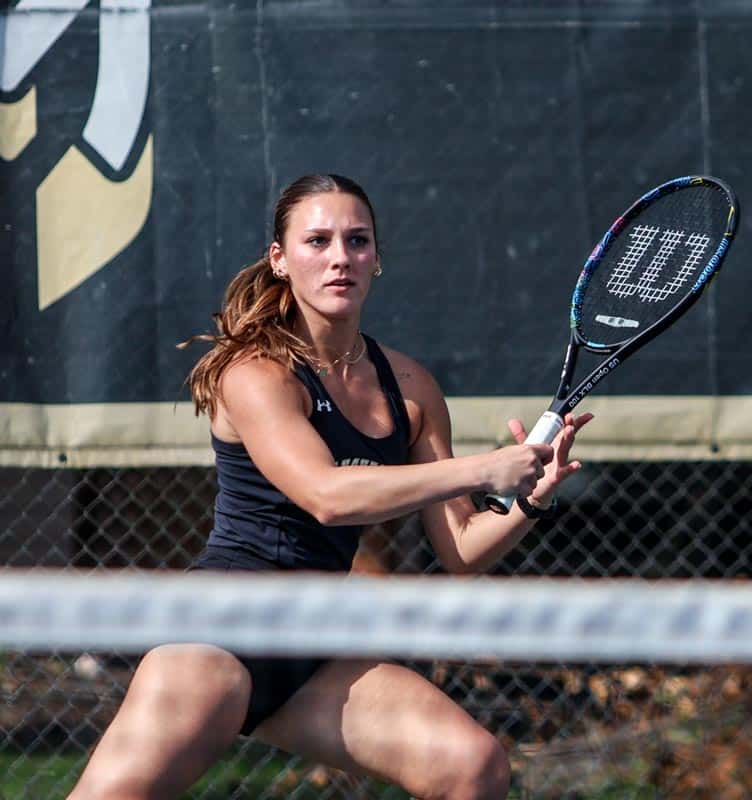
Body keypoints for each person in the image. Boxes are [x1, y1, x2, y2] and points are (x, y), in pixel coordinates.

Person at [67, 173, 592, 800]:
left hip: (311, 645)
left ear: (377, 259)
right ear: (280, 261)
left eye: (357, 240)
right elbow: (326, 495)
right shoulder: (256, 371)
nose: (340, 256)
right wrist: (483, 468)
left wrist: (531, 497)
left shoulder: (411, 387)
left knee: (472, 765)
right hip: (219, 633)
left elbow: (462, 549)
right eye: (317, 241)